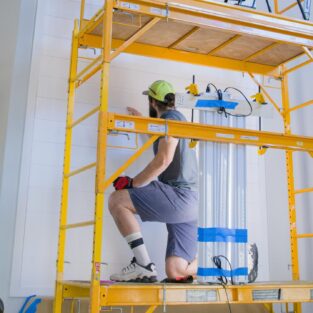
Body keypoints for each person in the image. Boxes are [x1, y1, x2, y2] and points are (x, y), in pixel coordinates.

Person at [109, 80, 199, 282]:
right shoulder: (175, 119)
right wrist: (141, 121)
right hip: (192, 203)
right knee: (177, 271)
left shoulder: (171, 118)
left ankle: (143, 265)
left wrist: (134, 182)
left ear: (151, 101)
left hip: (179, 196)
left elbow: (163, 159)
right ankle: (215, 260)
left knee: (117, 200)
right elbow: (163, 139)